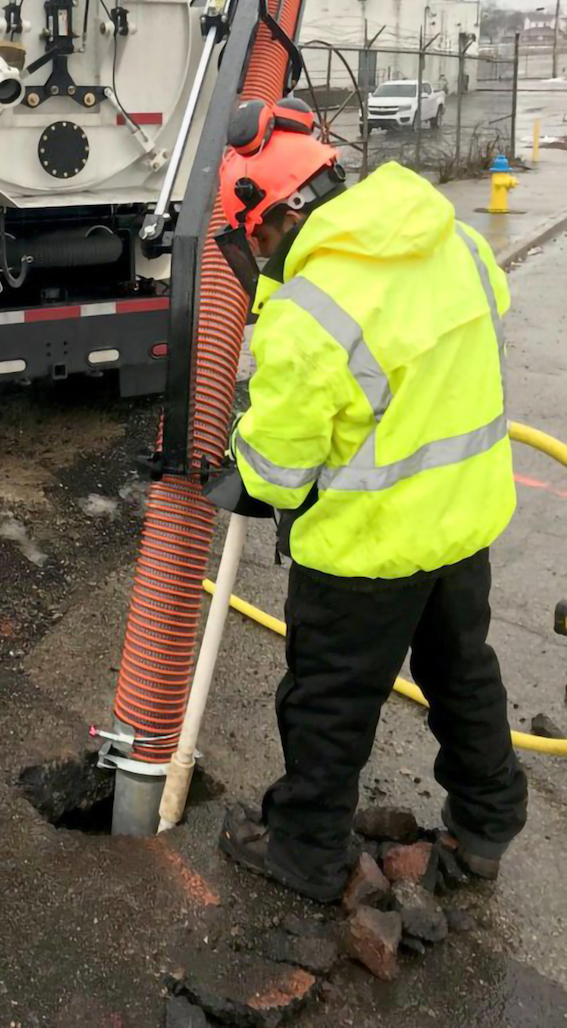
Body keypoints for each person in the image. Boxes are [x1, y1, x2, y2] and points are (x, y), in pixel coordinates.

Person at [209, 97, 527, 904]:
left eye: (255, 238)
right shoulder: (452, 238)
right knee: (463, 675)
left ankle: (306, 850)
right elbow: (462, 339)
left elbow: (277, 470)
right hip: (461, 522)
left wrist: (237, 452)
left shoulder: (310, 309)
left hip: (367, 549)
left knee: (328, 703)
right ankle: (486, 828)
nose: (258, 254)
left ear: (276, 217)